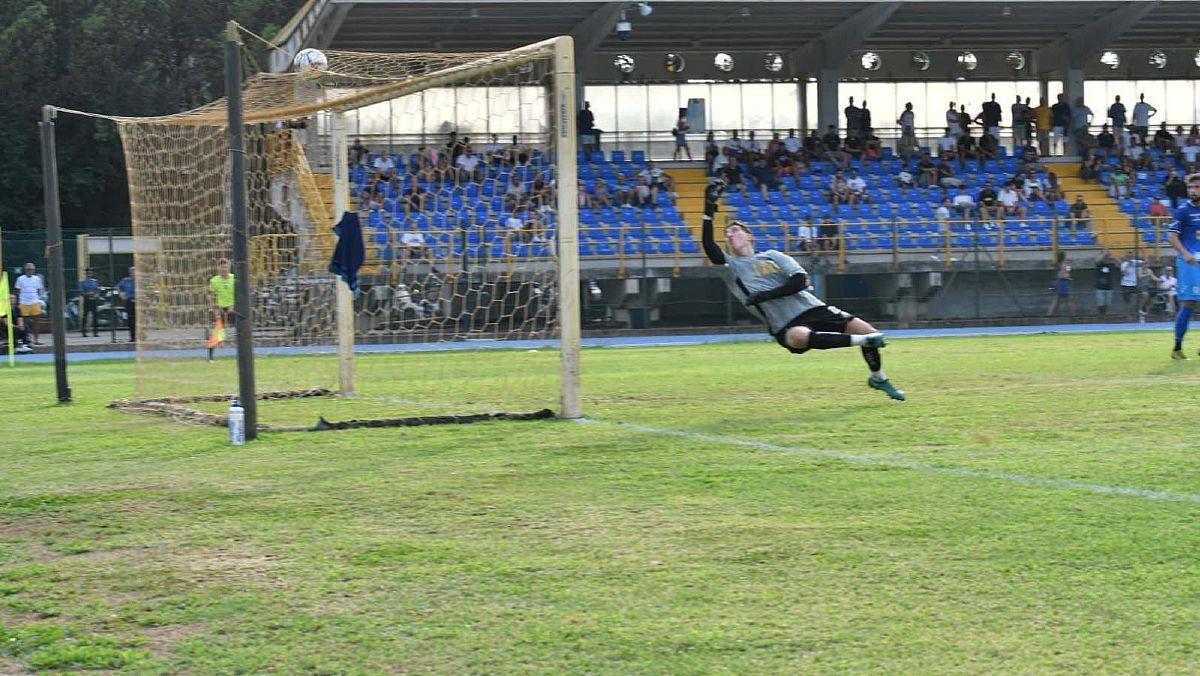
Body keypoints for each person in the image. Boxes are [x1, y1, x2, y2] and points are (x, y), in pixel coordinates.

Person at [700, 178, 905, 401]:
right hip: (784, 323)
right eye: (727, 234)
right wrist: (708, 209)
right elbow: (709, 244)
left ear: (750, 236)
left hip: (812, 307)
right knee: (799, 337)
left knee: (869, 331)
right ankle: (863, 342)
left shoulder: (772, 256)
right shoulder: (731, 268)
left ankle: (879, 378)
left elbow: (799, 281)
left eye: (735, 230)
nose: (730, 235)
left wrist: (766, 295)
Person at [1167, 173, 1200, 359]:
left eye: (1196, 187)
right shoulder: (1183, 210)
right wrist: (1185, 253)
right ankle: (1177, 348)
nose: (1193, 191)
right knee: (1189, 302)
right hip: (1189, 262)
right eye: (1190, 188)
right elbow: (1172, 235)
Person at [207, 259, 235, 361]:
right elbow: (210, 295)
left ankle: (247, 354)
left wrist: (235, 305)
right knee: (218, 334)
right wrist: (214, 309)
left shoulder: (234, 279)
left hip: (234, 309)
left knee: (244, 330)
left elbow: (240, 293)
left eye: (226, 267)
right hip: (221, 309)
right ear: (218, 268)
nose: (224, 269)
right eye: (222, 267)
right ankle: (210, 357)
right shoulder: (214, 281)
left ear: (229, 268)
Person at [14, 262, 45, 346]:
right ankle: (26, 340)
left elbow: (38, 290)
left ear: (34, 270)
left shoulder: (37, 279)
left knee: (36, 322)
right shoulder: (20, 279)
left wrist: (38, 300)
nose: (30, 271)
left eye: (32, 269)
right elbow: (17, 291)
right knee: (24, 323)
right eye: (28, 269)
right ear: (25, 270)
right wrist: (17, 302)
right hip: (24, 303)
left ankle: (36, 340)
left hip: (34, 302)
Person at [1046, 251, 1075, 317]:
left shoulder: (1059, 264)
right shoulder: (1064, 265)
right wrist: (1068, 277)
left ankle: (1049, 315)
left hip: (1058, 283)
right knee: (1069, 300)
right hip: (1063, 283)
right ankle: (1074, 316)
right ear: (1063, 257)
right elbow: (1062, 275)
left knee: (1056, 300)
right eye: (1066, 256)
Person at [1094, 250, 1119, 316]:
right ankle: (1100, 314)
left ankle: (1105, 314)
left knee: (1107, 303)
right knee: (1100, 303)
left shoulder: (1111, 265)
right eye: (1104, 257)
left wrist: (1112, 257)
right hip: (1100, 287)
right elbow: (1096, 261)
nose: (1105, 258)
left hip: (1109, 287)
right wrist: (1104, 254)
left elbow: (1119, 263)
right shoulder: (1099, 264)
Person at [78, 268, 101, 337]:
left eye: (90, 273)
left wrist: (96, 295)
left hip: (94, 300)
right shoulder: (82, 282)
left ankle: (95, 332)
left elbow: (98, 291)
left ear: (92, 274)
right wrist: (88, 294)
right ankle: (84, 332)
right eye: (87, 273)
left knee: (95, 317)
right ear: (85, 274)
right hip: (87, 300)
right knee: (85, 316)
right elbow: (81, 292)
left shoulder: (95, 282)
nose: (89, 275)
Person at [117, 266, 136, 343]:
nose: (133, 273)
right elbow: (118, 287)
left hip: (138, 302)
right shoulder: (125, 280)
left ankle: (141, 336)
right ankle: (132, 337)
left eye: (134, 271)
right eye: (131, 271)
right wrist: (121, 294)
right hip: (129, 301)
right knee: (130, 320)